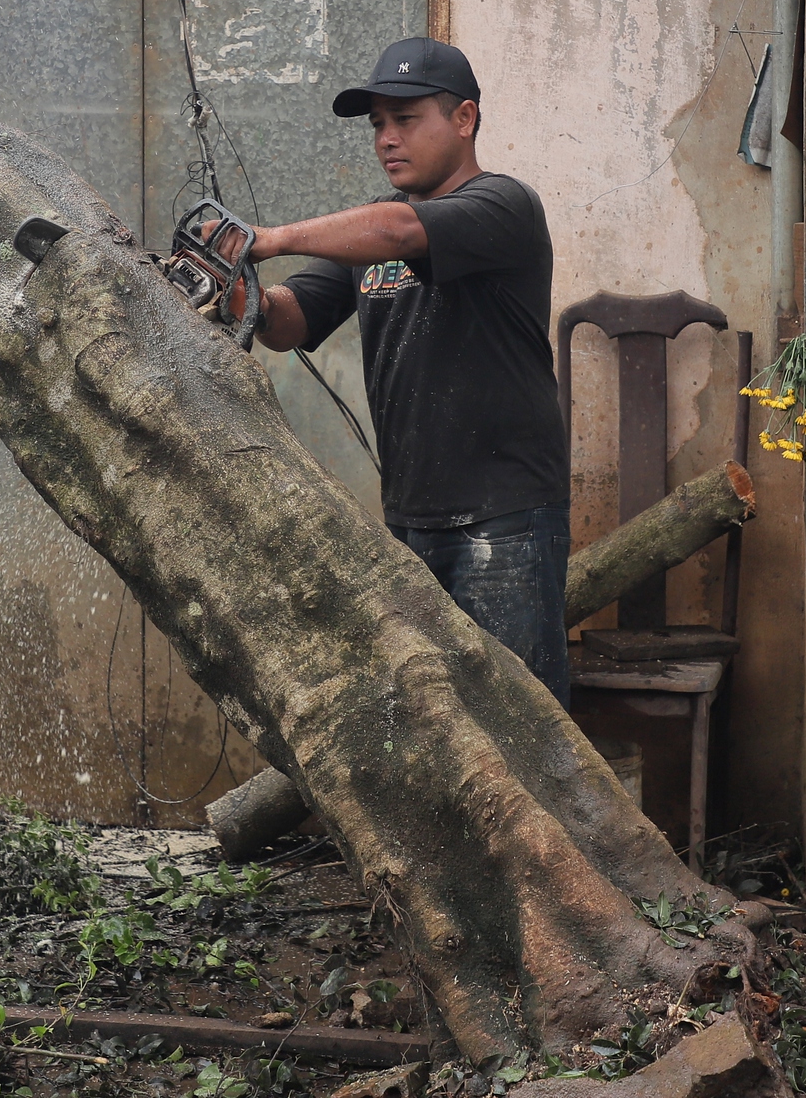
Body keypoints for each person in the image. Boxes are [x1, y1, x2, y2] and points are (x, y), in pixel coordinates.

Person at [245, 36, 574, 705]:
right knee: (434, 725)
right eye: (377, 125)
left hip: (505, 519)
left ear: (464, 118)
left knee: (520, 724)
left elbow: (399, 232)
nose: (386, 139)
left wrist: (267, 238)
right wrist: (233, 289)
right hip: (410, 518)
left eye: (405, 119)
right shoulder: (370, 233)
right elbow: (289, 323)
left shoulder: (504, 205)